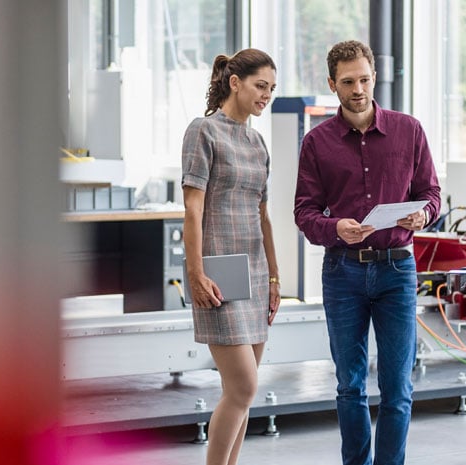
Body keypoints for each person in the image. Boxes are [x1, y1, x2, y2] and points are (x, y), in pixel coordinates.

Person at [294, 40, 441, 465]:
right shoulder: (316, 143)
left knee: (398, 387)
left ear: (374, 77)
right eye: (347, 82)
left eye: (363, 79)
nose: (358, 89)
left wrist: (424, 215)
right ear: (332, 84)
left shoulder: (409, 130)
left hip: (397, 270)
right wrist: (334, 228)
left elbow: (430, 193)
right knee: (350, 385)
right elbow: (304, 213)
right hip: (343, 272)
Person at [181, 48, 281, 465]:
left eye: (272, 89)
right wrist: (195, 272)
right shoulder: (202, 131)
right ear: (235, 82)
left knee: (242, 393)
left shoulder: (257, 142)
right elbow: (192, 208)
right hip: (218, 272)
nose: (267, 96)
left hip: (255, 274)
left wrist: (276, 280)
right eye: (261, 86)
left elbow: (263, 215)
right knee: (243, 388)